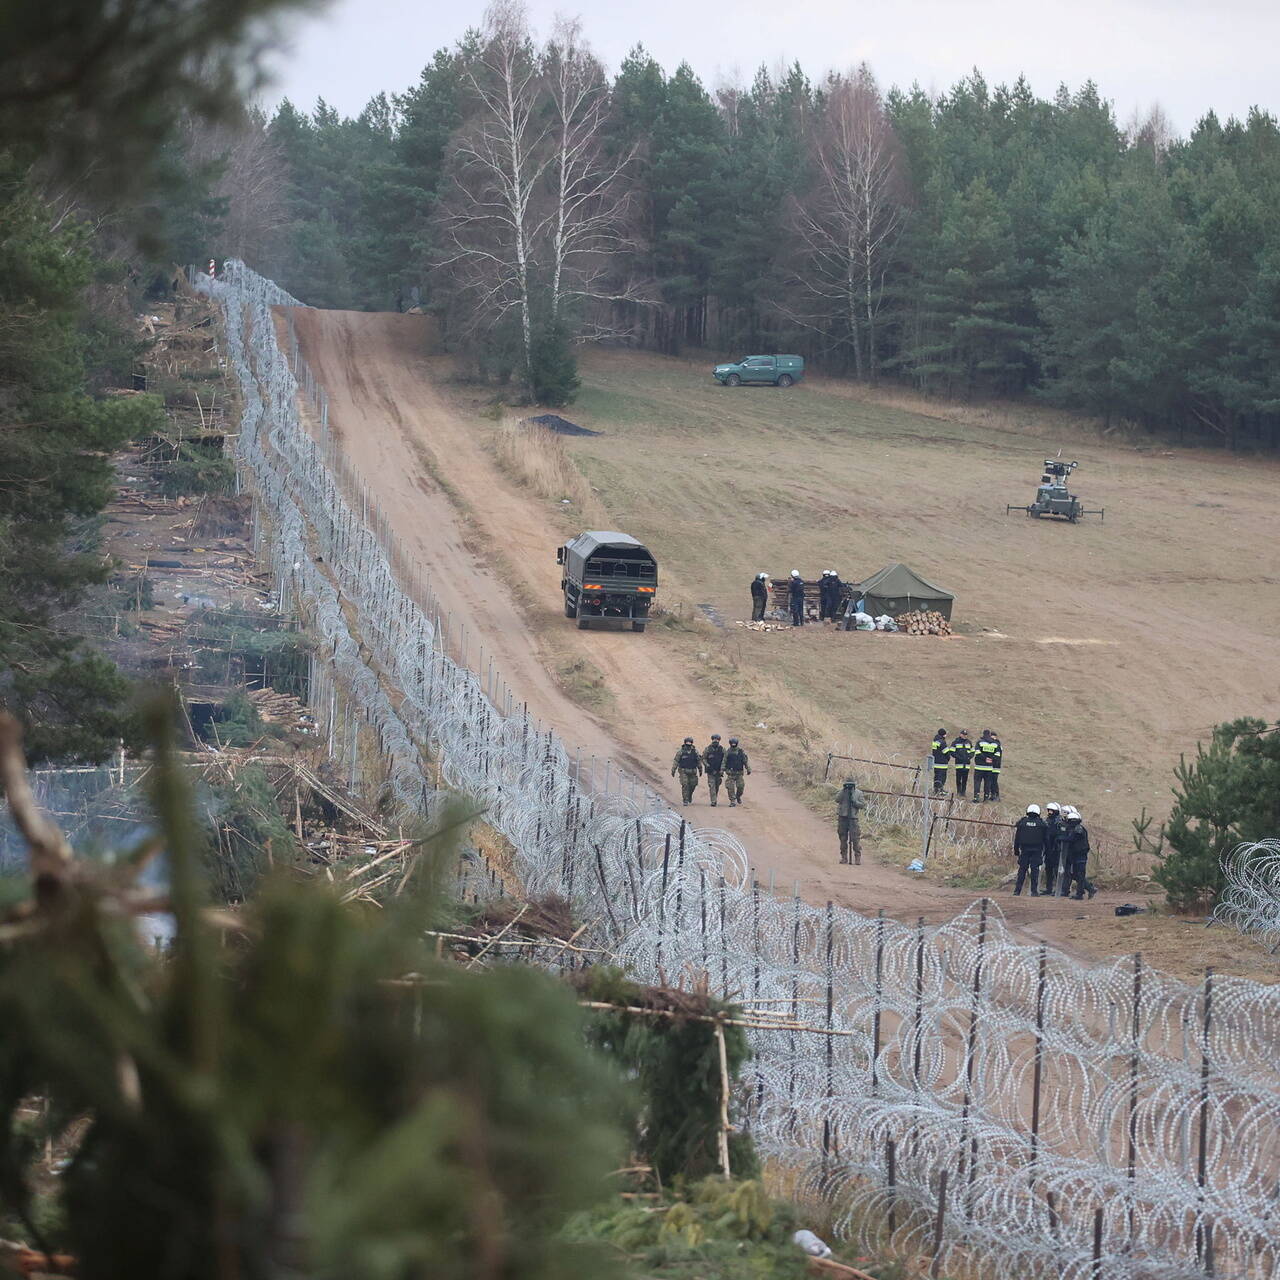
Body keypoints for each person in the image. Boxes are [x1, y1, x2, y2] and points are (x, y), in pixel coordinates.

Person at [1058, 807, 1097, 899]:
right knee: (1075, 874)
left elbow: (1073, 838)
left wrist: (1062, 838)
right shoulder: (1073, 828)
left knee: (1079, 873)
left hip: (1080, 855)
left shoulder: (1078, 829)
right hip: (1075, 855)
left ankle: (1080, 894)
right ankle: (1089, 889)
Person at [1012, 804, 1048, 895]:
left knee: (1022, 870)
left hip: (1024, 850)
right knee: (1035, 870)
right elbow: (1046, 839)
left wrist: (1016, 850)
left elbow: (1017, 838)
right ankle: (1034, 891)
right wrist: (1047, 851)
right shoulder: (1041, 824)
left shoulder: (1022, 822)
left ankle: (1017, 891)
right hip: (1036, 850)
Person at [837, 778, 867, 865]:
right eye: (847, 785)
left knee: (855, 839)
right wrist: (843, 790)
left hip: (853, 818)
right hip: (843, 817)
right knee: (843, 838)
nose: (849, 787)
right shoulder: (843, 792)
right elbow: (837, 799)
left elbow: (862, 805)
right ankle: (844, 857)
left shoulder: (858, 793)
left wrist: (855, 801)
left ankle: (857, 857)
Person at [670, 736, 703, 806]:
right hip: (683, 771)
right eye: (687, 743)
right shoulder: (681, 752)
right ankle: (685, 800)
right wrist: (673, 770)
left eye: (690, 742)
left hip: (693, 771)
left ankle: (689, 796)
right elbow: (676, 761)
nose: (688, 744)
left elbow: (698, 761)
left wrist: (700, 769)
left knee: (693, 785)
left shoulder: (695, 752)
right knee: (685, 784)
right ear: (685, 743)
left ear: (692, 743)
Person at [724, 737, 751, 806]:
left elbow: (745, 761)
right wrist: (722, 770)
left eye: (734, 743)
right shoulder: (728, 752)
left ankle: (738, 796)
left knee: (741, 786)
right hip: (730, 774)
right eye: (732, 743)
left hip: (739, 774)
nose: (733, 745)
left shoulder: (741, 752)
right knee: (730, 787)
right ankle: (732, 801)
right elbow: (724, 762)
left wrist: (748, 769)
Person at [1042, 802, 1063, 892]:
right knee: (1048, 868)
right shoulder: (1047, 820)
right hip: (1048, 848)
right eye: (1049, 810)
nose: (1050, 812)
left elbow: (1057, 834)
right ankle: (1049, 888)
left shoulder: (1058, 822)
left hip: (1056, 849)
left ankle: (1059, 888)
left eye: (1052, 811)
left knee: (1056, 868)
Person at [702, 733, 726, 806]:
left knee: (717, 786)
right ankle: (713, 801)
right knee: (712, 785)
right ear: (712, 740)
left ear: (719, 740)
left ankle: (714, 797)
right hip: (710, 771)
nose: (716, 741)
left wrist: (722, 769)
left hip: (719, 771)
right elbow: (703, 758)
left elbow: (725, 759)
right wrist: (707, 765)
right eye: (714, 739)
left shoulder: (722, 749)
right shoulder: (708, 749)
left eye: (717, 739)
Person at [950, 730, 974, 798]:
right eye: (963, 734)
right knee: (958, 779)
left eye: (966, 735)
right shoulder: (955, 742)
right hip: (959, 764)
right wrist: (958, 757)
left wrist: (969, 757)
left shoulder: (969, 742)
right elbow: (952, 751)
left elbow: (973, 751)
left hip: (966, 764)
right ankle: (958, 791)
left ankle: (963, 792)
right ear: (960, 734)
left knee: (965, 779)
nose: (965, 736)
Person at [973, 730, 996, 802]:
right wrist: (991, 759)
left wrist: (985, 758)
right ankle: (986, 798)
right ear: (989, 735)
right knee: (988, 783)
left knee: (977, 782)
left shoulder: (980, 742)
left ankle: (976, 797)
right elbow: (998, 754)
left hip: (979, 767)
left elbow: (977, 752)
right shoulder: (994, 743)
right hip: (989, 768)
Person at [929, 728, 950, 795]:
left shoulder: (935, 741)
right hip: (942, 763)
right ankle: (941, 790)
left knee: (937, 777)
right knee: (942, 778)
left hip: (936, 762)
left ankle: (936, 789)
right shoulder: (942, 742)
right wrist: (948, 758)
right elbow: (946, 752)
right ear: (943, 734)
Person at [987, 730, 1003, 801]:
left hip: (996, 765)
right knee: (991, 781)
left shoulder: (997, 744)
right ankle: (993, 795)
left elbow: (997, 756)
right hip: (993, 765)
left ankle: (996, 795)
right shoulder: (996, 744)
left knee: (994, 781)